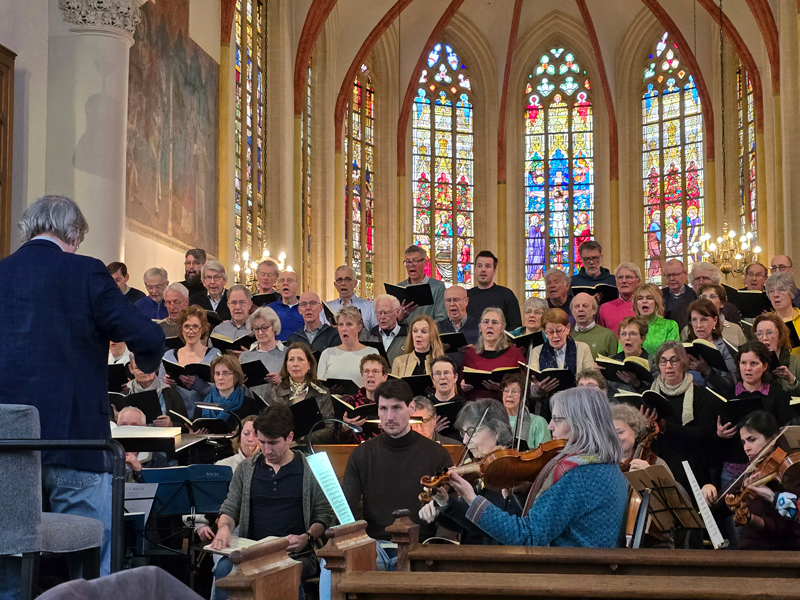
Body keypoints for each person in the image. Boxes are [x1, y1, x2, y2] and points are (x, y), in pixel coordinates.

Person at [0, 195, 165, 584]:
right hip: (75, 443)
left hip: (6, 449)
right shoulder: (85, 273)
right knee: (93, 567)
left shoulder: (3, 273)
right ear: (73, 235)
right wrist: (146, 365)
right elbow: (146, 334)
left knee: (8, 565)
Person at [447, 387, 628, 547]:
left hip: (571, 576)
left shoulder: (578, 474)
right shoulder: (607, 467)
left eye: (556, 419)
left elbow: (528, 537)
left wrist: (471, 498)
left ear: (581, 425)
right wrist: (522, 494)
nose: (550, 426)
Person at [204, 406, 335, 600]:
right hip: (253, 551)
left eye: (273, 443)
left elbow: (324, 515)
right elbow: (231, 506)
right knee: (224, 568)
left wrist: (306, 537)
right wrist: (224, 527)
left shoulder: (310, 467)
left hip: (296, 554)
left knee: (282, 573)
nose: (266, 450)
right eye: (262, 441)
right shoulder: (247, 468)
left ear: (289, 438)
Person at [341, 380, 453, 561]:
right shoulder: (362, 454)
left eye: (396, 408)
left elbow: (450, 508)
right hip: (376, 545)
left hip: (422, 546)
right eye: (383, 409)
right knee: (329, 564)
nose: (389, 417)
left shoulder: (437, 454)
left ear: (411, 408)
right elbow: (346, 511)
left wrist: (438, 547)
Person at [419, 399, 522, 545]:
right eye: (463, 433)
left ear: (497, 432)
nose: (466, 440)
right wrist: (443, 504)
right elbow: (465, 526)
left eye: (472, 432)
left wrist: (458, 501)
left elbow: (490, 528)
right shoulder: (478, 472)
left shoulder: (511, 474)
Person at [704, 342, 795, 503]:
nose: (748, 368)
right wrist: (719, 434)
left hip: (767, 470)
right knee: (734, 519)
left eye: (754, 363)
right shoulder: (727, 394)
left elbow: (784, 433)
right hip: (733, 470)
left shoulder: (777, 395)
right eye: (743, 363)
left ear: (765, 366)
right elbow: (713, 440)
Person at [646, 341, 725, 494]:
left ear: (683, 363)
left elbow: (703, 434)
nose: (668, 366)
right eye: (663, 361)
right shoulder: (651, 394)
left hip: (692, 464)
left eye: (674, 360)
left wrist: (666, 427)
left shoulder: (699, 394)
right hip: (661, 461)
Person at [720, 411, 800, 550]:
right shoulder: (754, 468)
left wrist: (752, 516)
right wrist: (710, 490)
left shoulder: (788, 471)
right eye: (743, 442)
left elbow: (784, 525)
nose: (746, 448)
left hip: (777, 551)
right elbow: (727, 498)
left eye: (752, 440)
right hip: (747, 546)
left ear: (773, 438)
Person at [260, 343, 336, 445]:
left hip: (312, 448)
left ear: (309, 365)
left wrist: (299, 438)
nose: (295, 364)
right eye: (291, 359)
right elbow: (267, 426)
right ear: (286, 365)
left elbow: (329, 430)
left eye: (300, 359)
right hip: (283, 449)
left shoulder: (322, 392)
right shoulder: (274, 392)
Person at [528, 308, 595, 420]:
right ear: (545, 332)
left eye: (559, 331)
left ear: (567, 328)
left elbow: (591, 381)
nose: (555, 336)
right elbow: (531, 390)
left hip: (578, 408)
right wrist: (537, 389)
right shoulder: (537, 351)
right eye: (550, 332)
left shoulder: (582, 348)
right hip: (546, 410)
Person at [161, 305, 221, 415]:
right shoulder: (168, 356)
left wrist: (198, 385)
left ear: (202, 328)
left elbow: (221, 392)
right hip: (176, 417)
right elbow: (160, 392)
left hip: (206, 415)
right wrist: (168, 385)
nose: (190, 331)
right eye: (187, 326)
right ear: (181, 329)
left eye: (195, 326)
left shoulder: (214, 355)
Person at [461, 308, 525, 401]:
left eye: (494, 322)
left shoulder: (515, 354)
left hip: (504, 408)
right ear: (480, 327)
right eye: (486, 322)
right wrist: (464, 387)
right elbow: (459, 386)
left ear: (502, 328)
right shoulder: (470, 354)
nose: (489, 326)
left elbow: (524, 387)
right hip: (476, 407)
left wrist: (503, 389)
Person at [685, 299, 737, 397]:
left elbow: (730, 387)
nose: (699, 325)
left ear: (715, 321)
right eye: (694, 320)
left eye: (704, 319)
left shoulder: (727, 349)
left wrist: (706, 370)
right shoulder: (685, 346)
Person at [195, 355, 265, 427]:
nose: (220, 378)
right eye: (217, 373)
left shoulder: (249, 404)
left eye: (225, 373)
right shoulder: (202, 405)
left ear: (236, 376)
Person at [318, 306, 379, 386]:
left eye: (349, 324)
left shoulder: (371, 353)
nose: (344, 329)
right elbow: (320, 387)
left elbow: (376, 384)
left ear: (359, 327)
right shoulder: (327, 353)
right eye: (341, 325)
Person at [126, 354, 188, 428]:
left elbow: (186, 427)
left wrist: (171, 424)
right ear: (131, 369)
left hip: (163, 437)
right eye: (138, 368)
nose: (143, 371)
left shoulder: (171, 394)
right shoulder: (124, 395)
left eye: (148, 367)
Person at [339, 355, 391, 443]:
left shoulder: (392, 402)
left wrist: (390, 428)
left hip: (385, 450)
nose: (370, 375)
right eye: (366, 371)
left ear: (385, 377)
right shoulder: (351, 401)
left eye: (375, 372)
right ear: (362, 375)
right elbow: (338, 440)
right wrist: (345, 427)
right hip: (355, 451)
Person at [466, 251, 522, 330]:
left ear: (494, 271)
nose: (483, 269)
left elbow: (516, 328)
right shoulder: (467, 296)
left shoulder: (506, 295)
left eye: (487, 266)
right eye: (479, 266)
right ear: (475, 269)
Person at [116, 407, 171, 483]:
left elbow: (162, 491)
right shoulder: (106, 458)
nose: (128, 429)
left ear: (144, 428)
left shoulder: (158, 461)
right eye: (123, 425)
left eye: (134, 425)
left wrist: (139, 471)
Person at [611, 403, 669, 473]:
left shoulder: (654, 462)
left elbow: (672, 484)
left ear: (635, 431)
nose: (614, 438)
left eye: (620, 432)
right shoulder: (600, 464)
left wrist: (651, 473)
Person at [239, 306, 286, 391]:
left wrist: (281, 382)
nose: (260, 332)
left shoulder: (287, 354)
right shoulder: (245, 356)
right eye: (256, 329)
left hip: (279, 402)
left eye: (264, 328)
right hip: (251, 401)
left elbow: (298, 385)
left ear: (274, 327)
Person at [396, 245, 446, 323]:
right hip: (404, 334)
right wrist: (399, 318)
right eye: (408, 261)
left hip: (428, 333)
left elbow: (442, 318)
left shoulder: (437, 287)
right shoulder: (399, 287)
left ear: (424, 263)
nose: (411, 265)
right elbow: (391, 321)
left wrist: (422, 330)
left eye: (415, 261)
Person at [501, 373, 550, 451]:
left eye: (514, 392)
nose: (509, 395)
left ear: (524, 397)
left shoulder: (538, 422)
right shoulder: (495, 420)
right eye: (506, 391)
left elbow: (545, 455)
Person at [753, 313, 800, 392]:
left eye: (769, 333)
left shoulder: (795, 362)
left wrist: (791, 380)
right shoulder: (752, 364)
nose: (764, 338)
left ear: (780, 335)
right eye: (760, 334)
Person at [632, 283, 679, 355]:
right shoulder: (629, 326)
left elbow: (672, 355)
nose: (644, 301)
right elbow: (620, 356)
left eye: (649, 298)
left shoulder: (670, 326)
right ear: (636, 303)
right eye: (640, 298)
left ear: (656, 302)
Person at [327, 265, 377, 332]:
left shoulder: (370, 307)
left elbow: (376, 334)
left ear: (355, 283)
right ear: (335, 285)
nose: (343, 283)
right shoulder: (327, 308)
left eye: (347, 279)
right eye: (339, 280)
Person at [437, 285, 480, 363]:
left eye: (456, 300)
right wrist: (438, 350)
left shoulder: (479, 326)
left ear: (466, 301)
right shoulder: (437, 327)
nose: (452, 304)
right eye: (448, 300)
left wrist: (475, 351)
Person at [598, 263, 641, 336]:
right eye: (620, 277)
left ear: (638, 281)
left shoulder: (645, 305)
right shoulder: (604, 308)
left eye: (628, 277)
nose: (624, 281)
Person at [570, 292, 617, 359]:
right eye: (576, 306)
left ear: (594, 310)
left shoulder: (608, 336)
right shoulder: (567, 335)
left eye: (585, 306)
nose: (580, 309)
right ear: (572, 311)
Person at [427, 356, 466, 436]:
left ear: (455, 377)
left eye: (446, 373)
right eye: (437, 373)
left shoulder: (466, 407)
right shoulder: (425, 407)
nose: (442, 377)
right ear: (432, 379)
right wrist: (431, 433)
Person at [365, 294, 409, 366]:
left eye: (386, 313)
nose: (382, 317)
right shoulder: (368, 336)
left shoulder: (408, 336)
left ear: (397, 312)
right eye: (379, 312)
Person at [212, 284, 254, 356]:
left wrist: (248, 356)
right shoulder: (218, 330)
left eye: (242, 302)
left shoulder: (259, 329)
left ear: (250, 304)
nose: (237, 307)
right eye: (233, 303)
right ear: (228, 305)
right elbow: (211, 357)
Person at [765, 272, 800, 356]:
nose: (776, 295)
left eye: (781, 290)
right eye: (771, 291)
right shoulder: (764, 321)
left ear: (792, 294)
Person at [267, 271, 303, 342]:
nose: (285, 283)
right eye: (282, 281)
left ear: (297, 286)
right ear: (278, 286)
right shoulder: (269, 309)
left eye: (289, 280)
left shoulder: (305, 308)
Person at [661, 258, 696, 331]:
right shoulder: (659, 295)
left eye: (675, 274)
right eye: (668, 275)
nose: (671, 279)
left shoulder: (694, 295)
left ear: (685, 274)